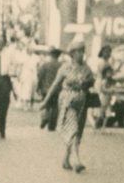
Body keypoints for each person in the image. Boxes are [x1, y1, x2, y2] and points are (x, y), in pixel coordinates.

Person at [39, 39, 95, 172]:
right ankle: (76, 160)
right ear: (73, 53)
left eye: (83, 51)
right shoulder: (65, 68)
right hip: (67, 102)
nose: (82, 54)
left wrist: (87, 83)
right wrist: (45, 102)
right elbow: (54, 85)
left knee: (77, 131)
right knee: (73, 128)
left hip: (81, 103)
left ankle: (66, 159)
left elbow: (91, 83)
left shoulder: (87, 69)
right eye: (79, 51)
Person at [37, 47, 62, 130]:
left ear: (51, 55)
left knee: (46, 105)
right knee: (55, 106)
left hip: (45, 89)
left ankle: (45, 118)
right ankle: (52, 125)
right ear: (58, 56)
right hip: (57, 89)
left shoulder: (45, 65)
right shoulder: (61, 65)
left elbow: (40, 76)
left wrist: (38, 87)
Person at [94, 44, 114, 129]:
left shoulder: (108, 62)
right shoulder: (101, 62)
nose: (108, 54)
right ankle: (98, 120)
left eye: (109, 52)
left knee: (105, 103)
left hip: (105, 82)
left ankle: (100, 121)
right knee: (102, 102)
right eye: (106, 52)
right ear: (102, 53)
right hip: (101, 81)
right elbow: (103, 72)